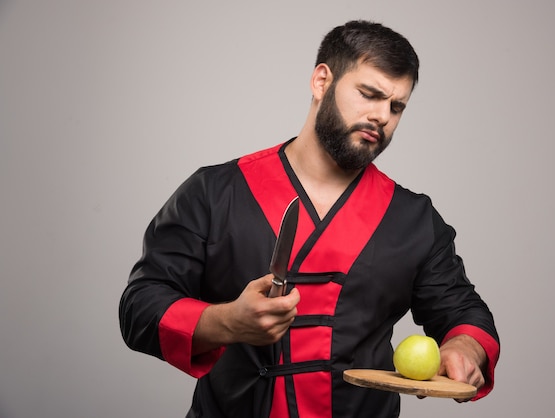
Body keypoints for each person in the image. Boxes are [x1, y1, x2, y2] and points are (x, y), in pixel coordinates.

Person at [119, 20, 500, 418]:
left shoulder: (413, 219)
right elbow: (140, 307)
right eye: (369, 94)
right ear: (322, 81)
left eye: (396, 106)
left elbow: (463, 313)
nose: (382, 116)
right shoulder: (216, 191)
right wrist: (227, 322)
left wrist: (464, 347)